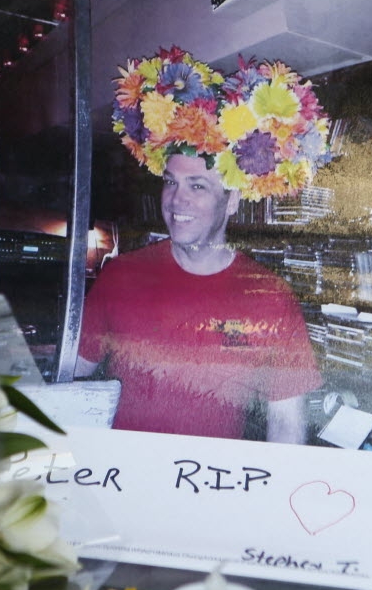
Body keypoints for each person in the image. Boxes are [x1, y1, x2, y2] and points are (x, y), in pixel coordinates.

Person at [74, 46, 333, 443]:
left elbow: (286, 426)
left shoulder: (271, 296)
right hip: (123, 485)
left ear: (231, 202)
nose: (178, 200)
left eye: (198, 186)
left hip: (210, 489)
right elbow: (72, 378)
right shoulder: (122, 275)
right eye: (171, 182)